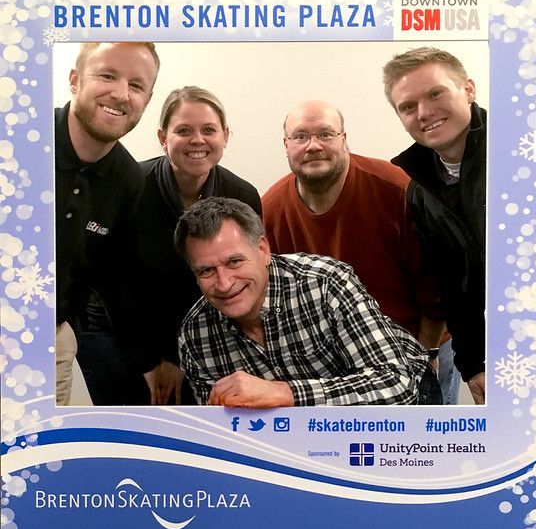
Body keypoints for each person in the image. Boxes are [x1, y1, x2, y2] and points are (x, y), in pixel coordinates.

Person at [175, 198, 442, 408]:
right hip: (298, 434)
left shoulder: (326, 282)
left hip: (411, 400)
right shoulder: (195, 335)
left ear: (263, 250)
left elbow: (397, 386)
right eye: (206, 271)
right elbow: (223, 432)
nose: (224, 283)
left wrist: (285, 393)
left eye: (234, 262)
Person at [261, 99, 446, 393]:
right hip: (331, 363)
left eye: (325, 134)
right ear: (286, 144)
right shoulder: (270, 209)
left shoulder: (395, 188)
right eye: (300, 136)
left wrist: (427, 356)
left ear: (343, 139)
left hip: (420, 341)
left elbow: (436, 283)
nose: (313, 146)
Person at [135, 86, 262, 404]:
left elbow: (241, 278)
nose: (197, 140)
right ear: (163, 137)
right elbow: (116, 285)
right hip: (125, 329)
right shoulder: (131, 186)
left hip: (206, 331)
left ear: (226, 136)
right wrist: (151, 359)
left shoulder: (242, 195)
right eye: (183, 130)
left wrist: (181, 358)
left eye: (209, 130)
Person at [55, 41, 165, 405]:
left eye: (136, 85)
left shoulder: (130, 179)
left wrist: (147, 361)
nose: (120, 94)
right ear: (75, 80)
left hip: (52, 338)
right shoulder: (18, 135)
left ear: (147, 100)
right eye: (107, 75)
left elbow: (114, 279)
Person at [383, 47, 486, 404]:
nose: (424, 113)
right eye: (408, 107)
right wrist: (474, 365)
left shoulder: (523, 152)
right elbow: (452, 284)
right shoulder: (414, 183)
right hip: (492, 361)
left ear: (468, 90)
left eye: (435, 93)